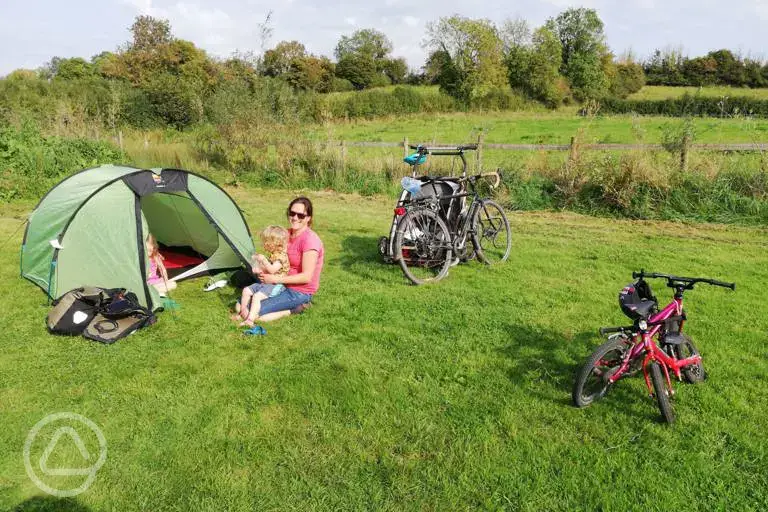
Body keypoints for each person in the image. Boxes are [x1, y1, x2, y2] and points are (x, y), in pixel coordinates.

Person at [247, 197, 324, 324]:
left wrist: (274, 279)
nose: (295, 218)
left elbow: (306, 277)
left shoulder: (310, 241)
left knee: (253, 313)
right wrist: (262, 265)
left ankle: (296, 308)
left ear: (308, 218)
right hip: (280, 285)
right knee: (241, 305)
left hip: (299, 291)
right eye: (292, 213)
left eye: (301, 215)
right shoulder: (285, 235)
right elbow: (275, 258)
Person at [233, 225, 290, 327]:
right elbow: (267, 268)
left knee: (256, 296)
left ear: (274, 243)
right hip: (266, 282)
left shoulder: (281, 257)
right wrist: (259, 268)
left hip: (275, 285)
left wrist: (263, 260)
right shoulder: (274, 254)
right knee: (246, 290)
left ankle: (250, 320)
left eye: (265, 241)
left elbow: (272, 270)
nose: (263, 244)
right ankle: (241, 313)